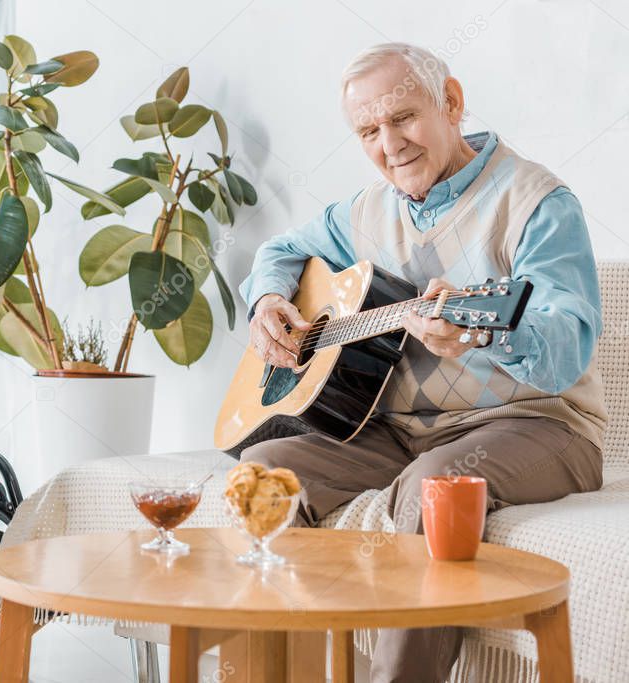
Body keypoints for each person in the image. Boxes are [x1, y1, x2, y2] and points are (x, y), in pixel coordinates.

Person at [239, 42, 606, 682]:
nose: (390, 144)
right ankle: (280, 672)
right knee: (266, 469)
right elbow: (282, 249)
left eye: (403, 117)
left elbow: (565, 348)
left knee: (435, 487)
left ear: (452, 103)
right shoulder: (363, 211)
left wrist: (485, 335)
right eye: (369, 131)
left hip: (541, 426)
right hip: (399, 432)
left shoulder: (536, 201)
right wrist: (268, 297)